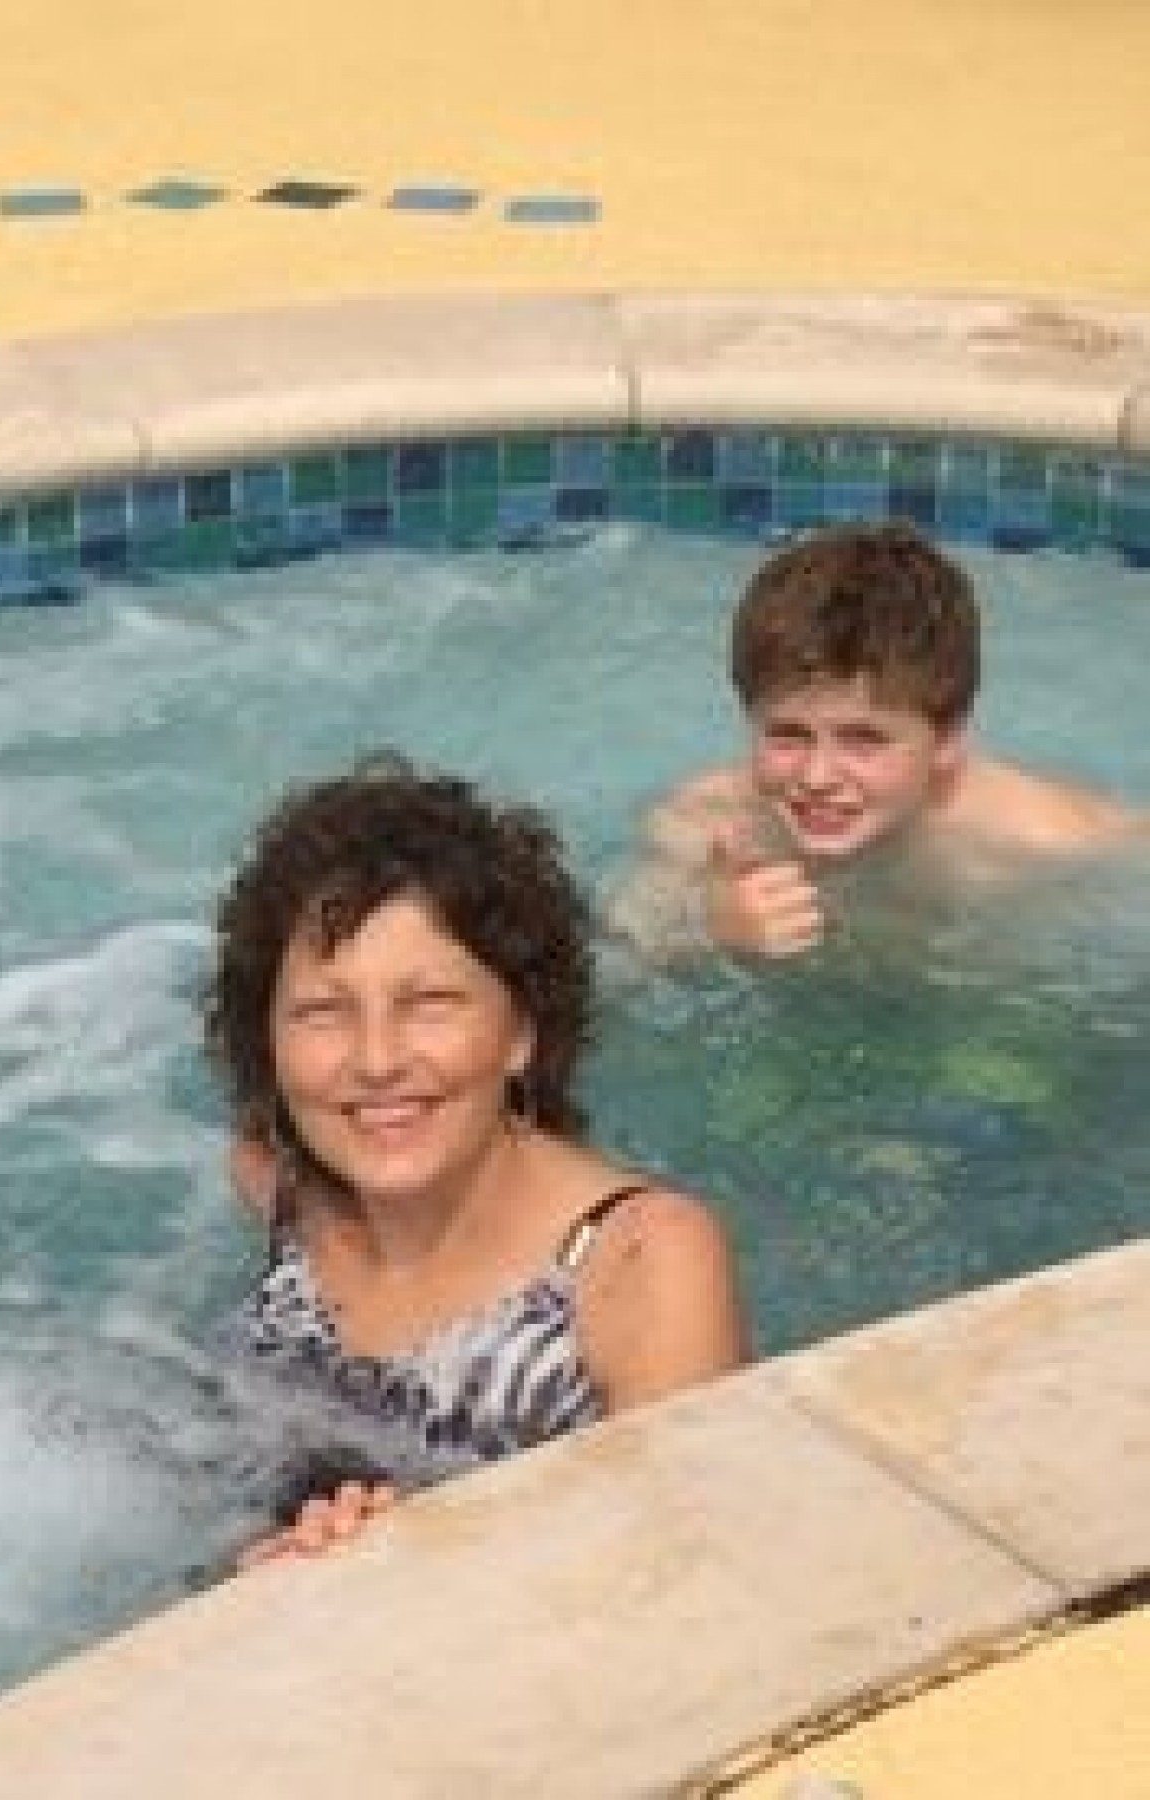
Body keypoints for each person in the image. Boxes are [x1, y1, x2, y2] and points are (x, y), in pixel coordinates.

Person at [202, 757, 747, 1564]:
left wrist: (413, 1562)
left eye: (429, 1004)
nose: (377, 1059)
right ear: (269, 1045)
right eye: (323, 1011)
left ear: (522, 1032)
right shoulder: (285, 1190)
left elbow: (676, 1575)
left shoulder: (638, 1263)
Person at [609, 522, 1143, 960]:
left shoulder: (1042, 843)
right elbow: (605, 966)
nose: (817, 778)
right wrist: (705, 921)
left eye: (864, 740)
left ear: (947, 739)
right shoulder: (716, 824)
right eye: (788, 735)